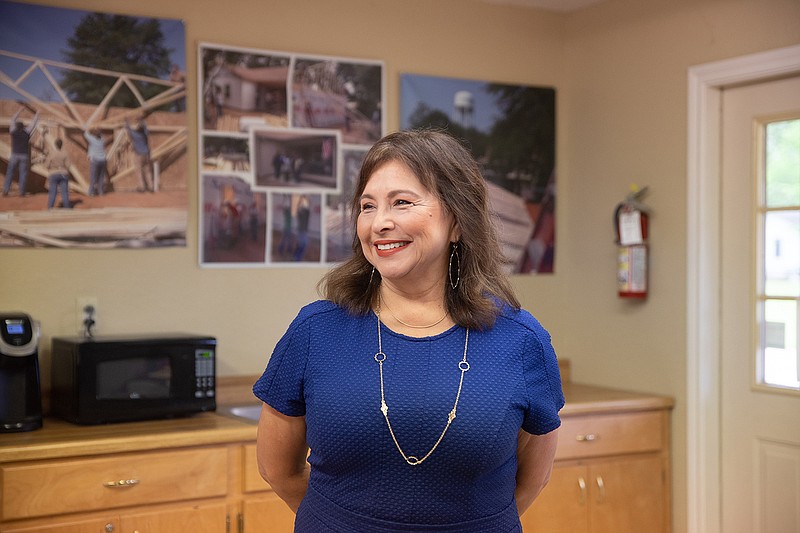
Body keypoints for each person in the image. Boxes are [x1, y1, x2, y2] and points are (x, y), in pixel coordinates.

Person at [253, 129, 565, 532]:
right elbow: (278, 471)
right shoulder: (315, 332)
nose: (380, 223)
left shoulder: (522, 342)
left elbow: (530, 481)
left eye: (401, 202)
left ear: (457, 222)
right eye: (368, 206)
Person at [3, 107, 39, 197]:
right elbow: (33, 124)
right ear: (23, 127)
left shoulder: (13, 132)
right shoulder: (26, 133)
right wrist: (37, 114)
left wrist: (19, 110)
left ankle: (5, 191)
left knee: (10, 173)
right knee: (23, 174)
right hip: (24, 156)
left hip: (15, 155)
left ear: (16, 126)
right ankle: (22, 192)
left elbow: (12, 119)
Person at [124, 117, 153, 192]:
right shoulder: (144, 134)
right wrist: (142, 121)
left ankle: (142, 187)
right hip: (147, 154)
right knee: (147, 170)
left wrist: (126, 121)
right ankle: (151, 186)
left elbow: (128, 128)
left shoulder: (135, 134)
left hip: (139, 154)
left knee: (139, 171)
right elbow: (145, 128)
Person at [44, 138, 71, 209]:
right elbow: (68, 165)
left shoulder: (52, 153)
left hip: (53, 173)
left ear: (55, 145)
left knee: (53, 191)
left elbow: (46, 165)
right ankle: (67, 207)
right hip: (63, 173)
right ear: (62, 145)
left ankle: (50, 207)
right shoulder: (65, 153)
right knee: (64, 191)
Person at [83, 128, 107, 196]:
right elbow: (102, 136)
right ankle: (101, 192)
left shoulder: (92, 140)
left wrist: (86, 127)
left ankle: (91, 192)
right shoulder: (102, 140)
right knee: (101, 177)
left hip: (96, 160)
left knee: (93, 177)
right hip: (103, 160)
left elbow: (85, 134)